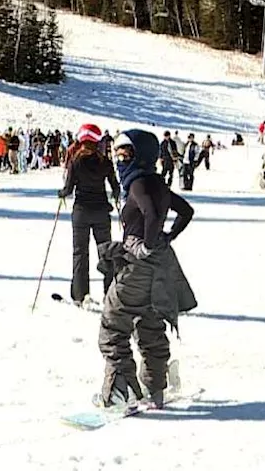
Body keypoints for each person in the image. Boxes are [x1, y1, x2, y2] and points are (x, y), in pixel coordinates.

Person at [96, 129, 196, 409]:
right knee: (150, 323)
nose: (119, 159)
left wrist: (146, 245)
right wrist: (167, 238)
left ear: (140, 155)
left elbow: (151, 212)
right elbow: (185, 211)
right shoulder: (156, 182)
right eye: (117, 153)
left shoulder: (138, 183)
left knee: (113, 326)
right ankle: (155, 386)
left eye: (126, 154)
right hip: (161, 268)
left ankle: (120, 390)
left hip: (137, 266)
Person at [58, 124, 121, 306]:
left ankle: (80, 295)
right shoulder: (105, 162)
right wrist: (115, 197)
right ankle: (110, 294)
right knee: (106, 253)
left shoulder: (76, 162)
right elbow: (116, 186)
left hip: (81, 212)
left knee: (80, 253)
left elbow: (68, 189)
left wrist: (61, 193)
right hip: (101, 211)